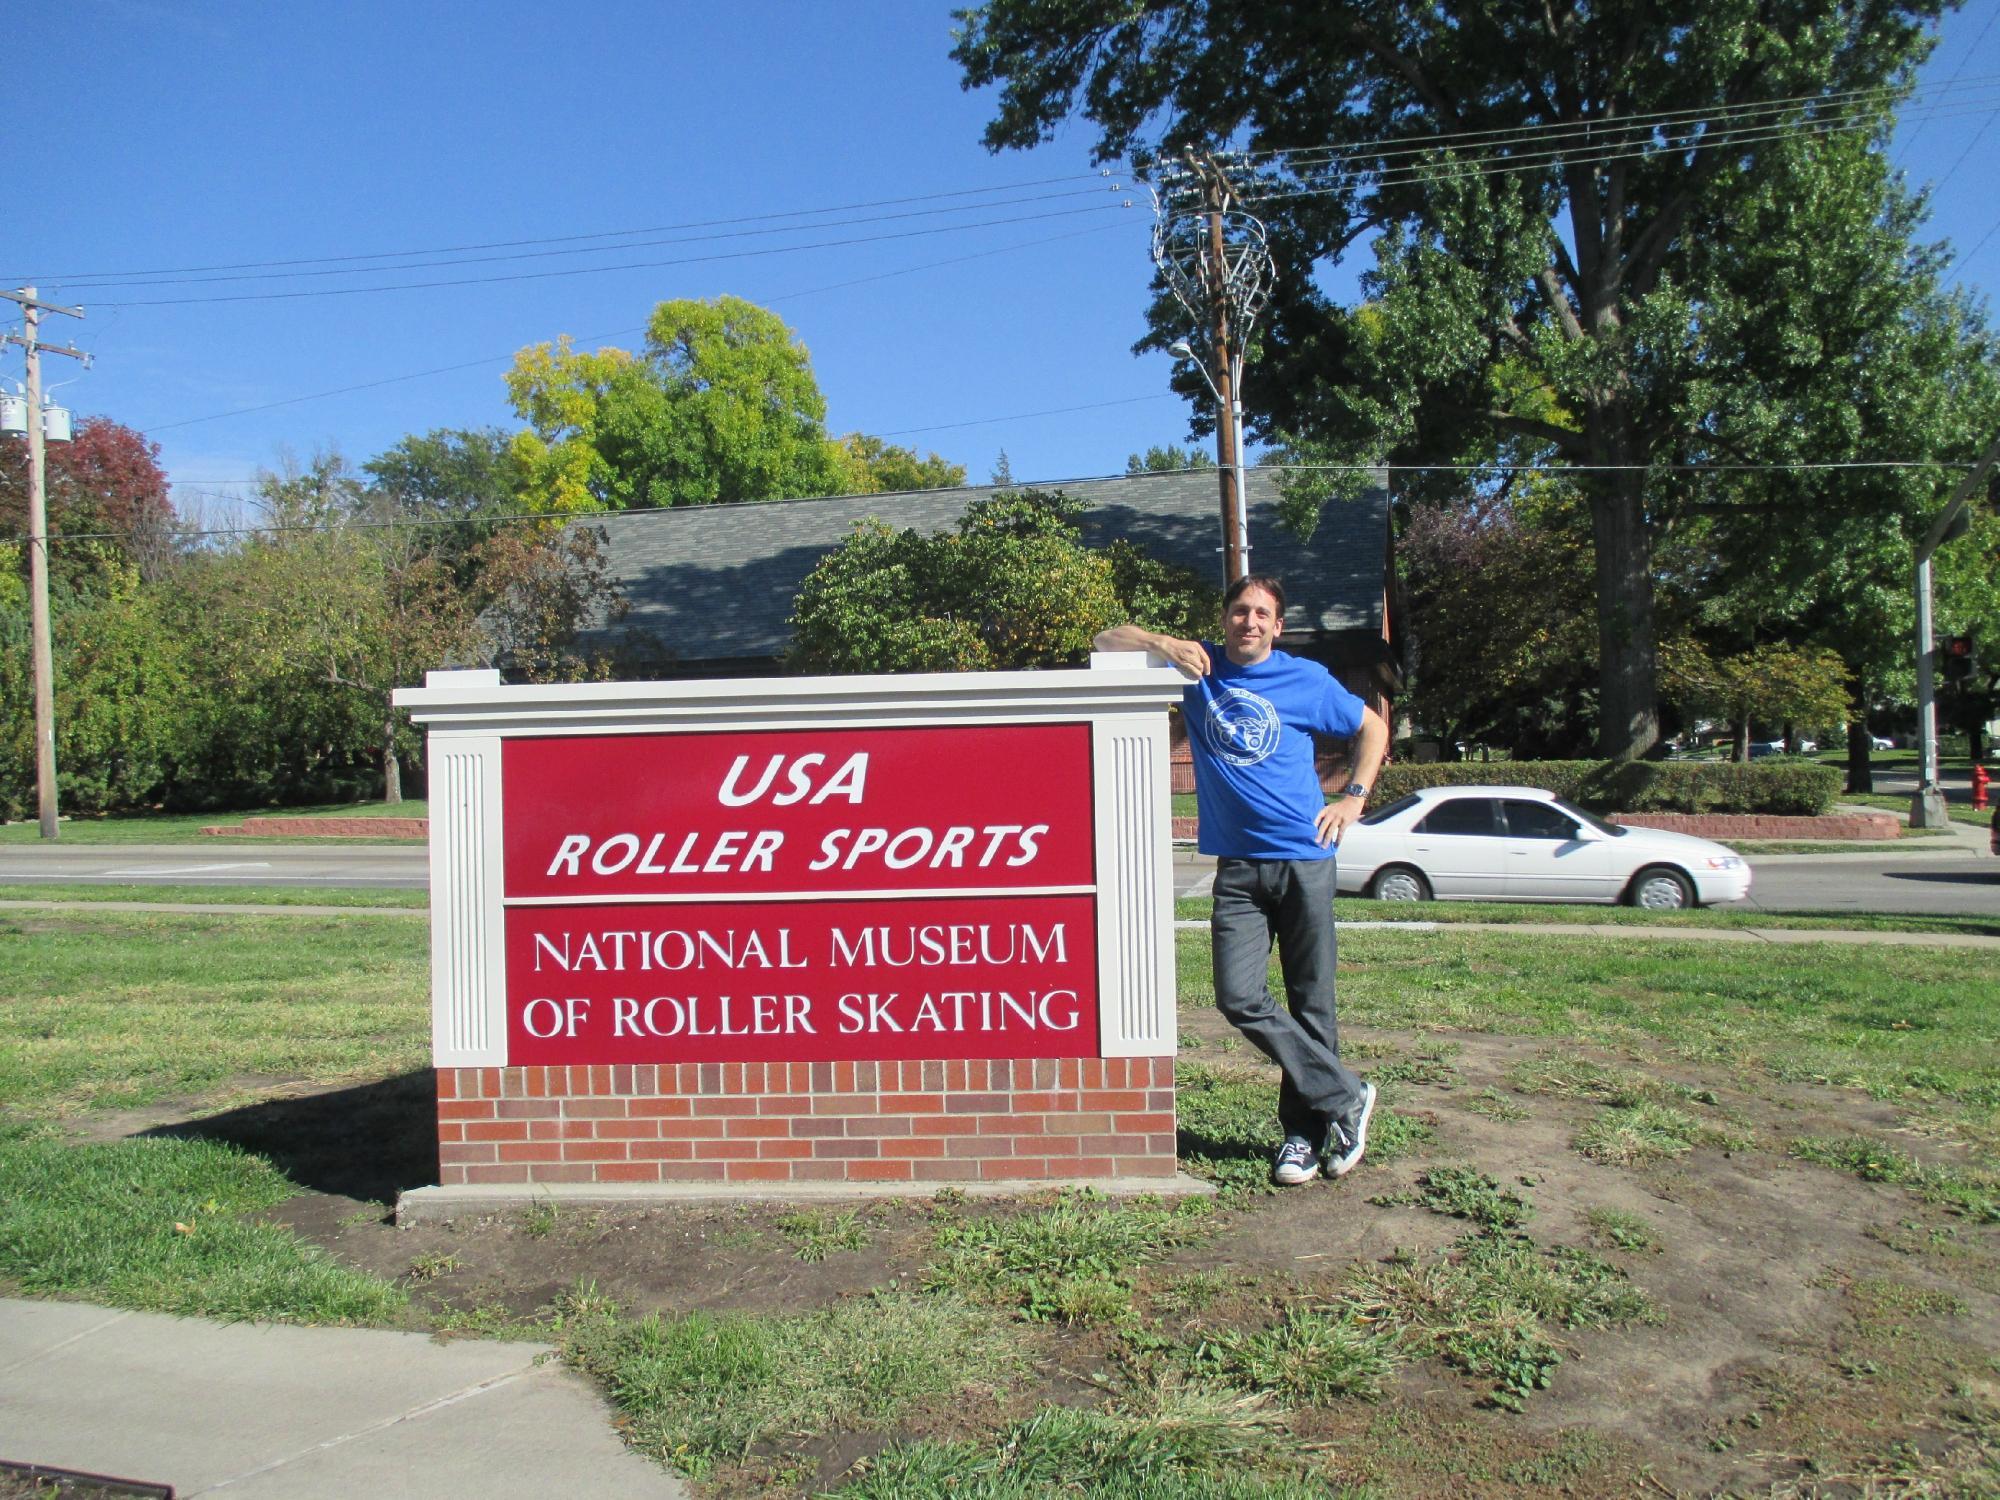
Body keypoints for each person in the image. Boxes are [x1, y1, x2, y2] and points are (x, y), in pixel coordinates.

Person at [1096, 575, 1390, 1185]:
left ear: (1277, 627)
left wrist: (1354, 798)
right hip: (1238, 867)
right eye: (1238, 611)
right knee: (1237, 997)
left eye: (1261, 614)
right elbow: (1104, 641)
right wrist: (1161, 640)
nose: (1248, 622)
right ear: (1224, 618)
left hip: (1305, 858)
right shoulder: (1196, 667)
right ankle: (1347, 1095)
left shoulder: (1304, 680)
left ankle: (1304, 1139)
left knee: (1313, 1003)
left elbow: (1373, 728)